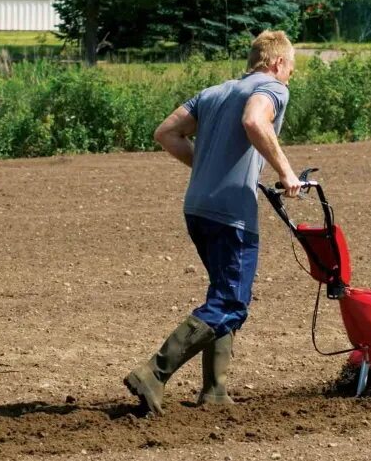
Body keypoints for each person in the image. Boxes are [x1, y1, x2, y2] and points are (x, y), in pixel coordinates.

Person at [124, 30, 302, 415]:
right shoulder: (273, 88)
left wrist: (206, 166)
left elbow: (166, 133)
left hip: (197, 208)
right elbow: (256, 122)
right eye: (290, 69)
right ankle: (153, 373)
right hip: (231, 214)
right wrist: (286, 172)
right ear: (277, 63)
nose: (290, 76)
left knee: (222, 293)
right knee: (232, 302)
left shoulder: (214, 92)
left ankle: (215, 391)